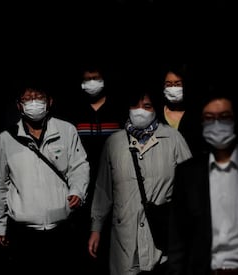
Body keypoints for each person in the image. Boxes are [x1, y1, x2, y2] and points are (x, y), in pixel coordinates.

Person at [88, 77, 192, 275]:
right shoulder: (114, 143)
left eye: (147, 105)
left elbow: (190, 185)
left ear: (155, 108)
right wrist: (96, 228)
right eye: (135, 105)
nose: (140, 110)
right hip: (125, 240)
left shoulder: (173, 139)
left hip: (162, 242)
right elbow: (103, 189)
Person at [166, 85, 238, 275]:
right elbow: (178, 239)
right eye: (209, 118)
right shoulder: (187, 174)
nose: (217, 124)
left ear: (236, 121)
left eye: (224, 117)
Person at [0, 76, 90, 275]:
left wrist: (78, 191)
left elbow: (79, 166)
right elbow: (0, 184)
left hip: (62, 230)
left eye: (39, 97)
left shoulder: (66, 130)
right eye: (28, 98)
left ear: (50, 101)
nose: (34, 102)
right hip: (24, 234)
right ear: (19, 105)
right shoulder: (6, 138)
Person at [67, 61, 123, 275]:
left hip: (115, 189)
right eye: (87, 79)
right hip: (83, 191)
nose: (92, 83)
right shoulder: (74, 112)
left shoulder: (118, 109)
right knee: (84, 249)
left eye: (96, 78)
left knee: (112, 247)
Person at [159, 63, 203, 156]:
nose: (173, 88)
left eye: (178, 84)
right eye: (168, 84)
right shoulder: (157, 115)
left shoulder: (196, 115)